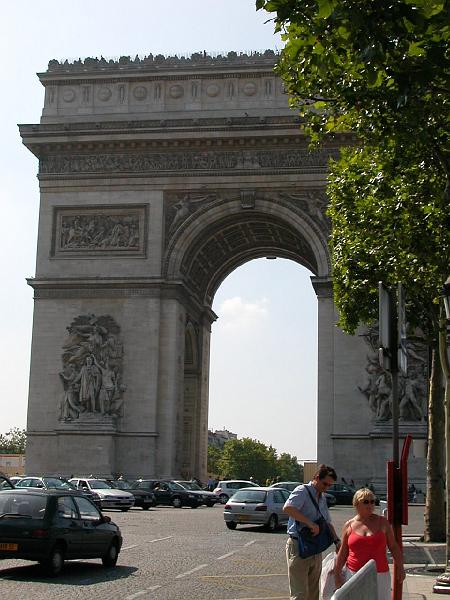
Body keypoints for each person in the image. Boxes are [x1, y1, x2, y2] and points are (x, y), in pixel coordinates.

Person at [334, 487, 405, 600]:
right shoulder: (349, 525)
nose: (370, 504)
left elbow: (393, 547)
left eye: (372, 501)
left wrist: (401, 567)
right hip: (354, 574)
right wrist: (337, 574)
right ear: (357, 504)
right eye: (366, 501)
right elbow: (343, 552)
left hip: (380, 573)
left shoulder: (383, 522)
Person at [283, 464, 340, 600]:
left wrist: (337, 540)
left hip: (315, 547)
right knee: (300, 594)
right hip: (299, 546)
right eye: (325, 483)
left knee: (313, 592)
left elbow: (327, 522)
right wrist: (309, 523)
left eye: (329, 486)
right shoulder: (302, 490)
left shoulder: (322, 497)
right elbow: (288, 508)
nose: (326, 488)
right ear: (316, 478)